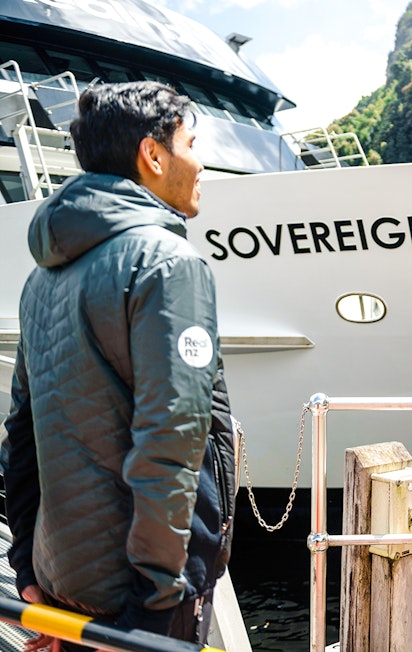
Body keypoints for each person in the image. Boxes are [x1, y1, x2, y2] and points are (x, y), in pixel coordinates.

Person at [2, 81, 237, 651]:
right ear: (153, 155)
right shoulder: (168, 263)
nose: (201, 163)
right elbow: (171, 439)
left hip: (66, 579)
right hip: (142, 597)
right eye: (191, 143)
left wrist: (32, 577)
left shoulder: (42, 278)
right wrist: (151, 610)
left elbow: (21, 437)